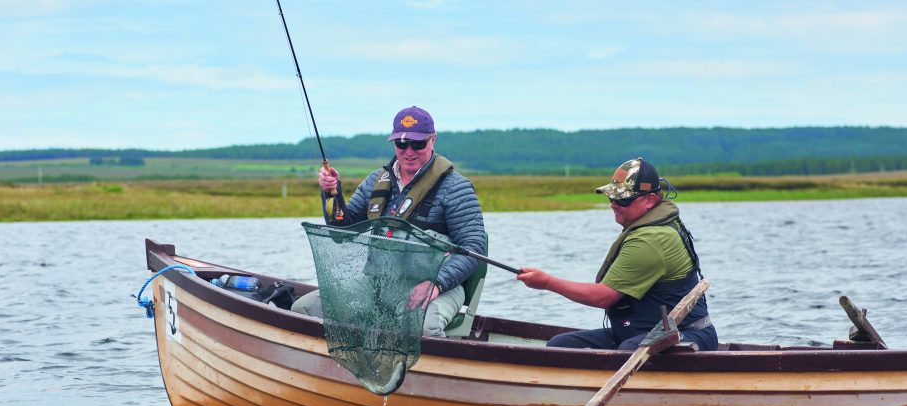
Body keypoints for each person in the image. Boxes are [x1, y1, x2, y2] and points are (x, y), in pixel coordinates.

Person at [291, 106, 486, 337]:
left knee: (425, 329)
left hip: (437, 287)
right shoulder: (376, 180)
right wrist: (331, 192)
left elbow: (474, 248)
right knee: (303, 309)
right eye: (402, 144)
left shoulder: (456, 188)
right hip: (378, 283)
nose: (409, 152)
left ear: (433, 140)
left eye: (418, 144)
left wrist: (437, 283)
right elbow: (342, 230)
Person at [516, 158, 718, 351]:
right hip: (644, 332)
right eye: (612, 197)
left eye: (623, 200)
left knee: (627, 350)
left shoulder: (651, 239)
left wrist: (547, 283)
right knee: (560, 345)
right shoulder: (649, 226)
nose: (613, 204)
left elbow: (603, 297)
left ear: (649, 200)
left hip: (686, 335)